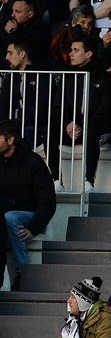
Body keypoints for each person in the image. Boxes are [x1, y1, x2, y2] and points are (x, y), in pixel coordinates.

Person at [51, 37, 111, 194]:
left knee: (91, 132)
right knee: (50, 132)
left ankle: (88, 182)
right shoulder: (68, 76)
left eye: (76, 50)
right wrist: (68, 124)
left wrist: (81, 124)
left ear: (89, 54)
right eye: (71, 50)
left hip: (95, 126)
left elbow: (104, 110)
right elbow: (58, 106)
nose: (70, 54)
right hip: (71, 127)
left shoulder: (103, 77)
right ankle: (56, 181)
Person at [0, 118, 55, 290]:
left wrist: (34, 228)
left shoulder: (33, 162)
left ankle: (23, 273)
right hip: (4, 217)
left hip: (29, 215)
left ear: (10, 140)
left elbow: (47, 202)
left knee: (11, 218)